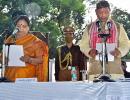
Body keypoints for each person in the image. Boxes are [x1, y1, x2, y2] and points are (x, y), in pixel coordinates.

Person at [78, 0, 130, 81]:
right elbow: (83, 45)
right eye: (100, 12)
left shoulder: (118, 26)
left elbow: (126, 44)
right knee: (95, 94)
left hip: (114, 71)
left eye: (105, 12)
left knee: (114, 93)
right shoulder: (89, 27)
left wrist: (119, 51)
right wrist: (89, 51)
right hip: (95, 71)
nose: (103, 15)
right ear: (96, 12)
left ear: (109, 10)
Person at [3, 15, 49, 82]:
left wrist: (29, 59)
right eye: (18, 26)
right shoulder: (10, 39)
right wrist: (5, 59)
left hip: (27, 79)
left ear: (28, 28)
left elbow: (41, 60)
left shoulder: (35, 41)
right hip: (9, 78)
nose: (21, 29)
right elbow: (2, 56)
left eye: (24, 26)